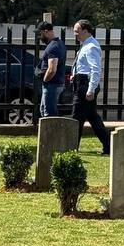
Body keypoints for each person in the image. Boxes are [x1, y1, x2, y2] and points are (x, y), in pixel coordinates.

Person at [71, 18, 111, 155]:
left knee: (76, 118)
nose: (75, 34)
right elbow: (84, 66)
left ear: (86, 31)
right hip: (81, 81)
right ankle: (108, 146)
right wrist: (74, 75)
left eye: (77, 31)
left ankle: (71, 147)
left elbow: (95, 69)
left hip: (85, 85)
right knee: (93, 118)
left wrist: (90, 89)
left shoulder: (91, 46)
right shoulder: (85, 45)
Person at [36, 20, 67, 119]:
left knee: (49, 115)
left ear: (46, 32)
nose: (39, 37)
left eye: (40, 34)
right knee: (44, 110)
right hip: (54, 84)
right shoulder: (59, 43)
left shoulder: (53, 47)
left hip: (52, 85)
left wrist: (45, 80)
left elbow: (52, 69)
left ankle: (52, 134)